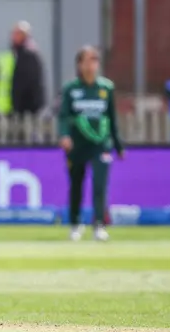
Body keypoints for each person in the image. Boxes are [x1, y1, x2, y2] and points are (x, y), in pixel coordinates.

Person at [58, 46, 124, 242]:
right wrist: (64, 135)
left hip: (100, 144)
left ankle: (99, 225)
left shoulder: (106, 88)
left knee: (100, 184)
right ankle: (75, 224)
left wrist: (118, 145)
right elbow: (63, 116)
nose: (90, 65)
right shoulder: (71, 89)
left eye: (94, 60)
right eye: (86, 60)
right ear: (79, 64)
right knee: (76, 185)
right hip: (77, 145)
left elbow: (112, 118)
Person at [0, 21, 45, 116]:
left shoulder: (32, 57)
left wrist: (37, 106)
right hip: (4, 109)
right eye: (15, 33)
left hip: (26, 110)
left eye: (21, 34)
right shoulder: (4, 57)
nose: (17, 37)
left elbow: (36, 84)